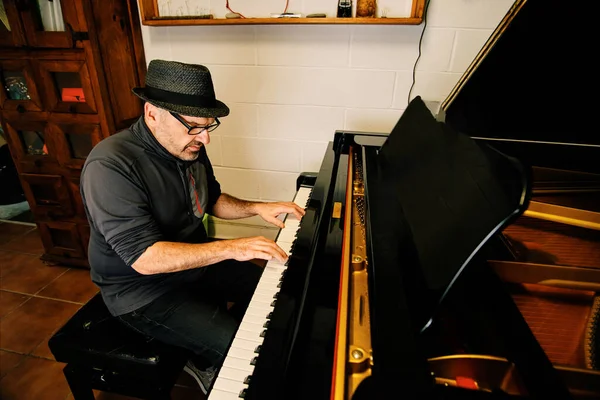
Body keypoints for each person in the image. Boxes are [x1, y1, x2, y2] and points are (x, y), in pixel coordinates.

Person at [80, 59, 305, 394]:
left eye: (208, 126)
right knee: (245, 351)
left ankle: (206, 341)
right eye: (193, 126)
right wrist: (233, 247)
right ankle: (206, 361)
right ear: (152, 113)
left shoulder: (190, 147)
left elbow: (210, 199)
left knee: (276, 293)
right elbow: (145, 259)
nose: (204, 139)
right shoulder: (110, 166)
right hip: (141, 292)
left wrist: (257, 208)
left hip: (192, 265)